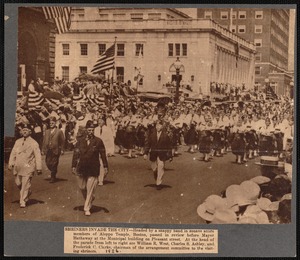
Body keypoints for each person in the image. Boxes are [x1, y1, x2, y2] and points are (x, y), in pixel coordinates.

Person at [72, 120, 108, 216]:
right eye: (89, 130)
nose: (90, 132)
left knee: (90, 189)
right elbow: (76, 153)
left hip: (93, 168)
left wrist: (105, 166)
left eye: (92, 130)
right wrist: (73, 165)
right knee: (82, 187)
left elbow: (103, 154)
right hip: (82, 167)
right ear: (86, 130)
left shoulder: (98, 141)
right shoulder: (80, 141)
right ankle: (91, 198)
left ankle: (87, 208)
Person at [8, 123, 42, 208]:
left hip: (28, 166)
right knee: (18, 183)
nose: (25, 132)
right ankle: (28, 191)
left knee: (25, 183)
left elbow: (38, 155)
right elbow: (13, 153)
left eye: (26, 130)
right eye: (23, 130)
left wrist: (39, 168)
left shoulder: (34, 143)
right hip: (18, 166)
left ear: (30, 132)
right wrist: (10, 163)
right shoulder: (18, 141)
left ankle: (22, 200)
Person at [144, 120, 173, 189]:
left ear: (162, 127)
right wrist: (145, 153)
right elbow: (148, 144)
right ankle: (156, 174)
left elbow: (169, 146)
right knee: (154, 168)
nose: (158, 127)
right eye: (157, 125)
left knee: (161, 166)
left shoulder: (165, 135)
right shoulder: (152, 134)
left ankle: (158, 183)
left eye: (159, 125)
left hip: (162, 154)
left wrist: (170, 155)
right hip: (153, 153)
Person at [42, 117, 65, 183]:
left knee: (54, 163)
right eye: (50, 123)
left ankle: (53, 176)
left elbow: (62, 141)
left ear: (55, 123)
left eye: (52, 123)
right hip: (48, 150)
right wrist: (43, 149)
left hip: (56, 150)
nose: (51, 124)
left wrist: (62, 149)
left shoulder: (59, 131)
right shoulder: (47, 131)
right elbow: (44, 141)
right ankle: (53, 171)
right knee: (48, 163)